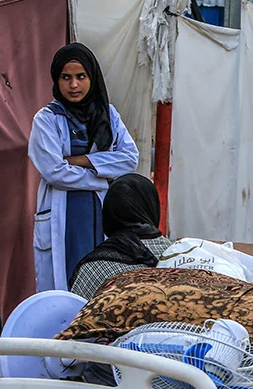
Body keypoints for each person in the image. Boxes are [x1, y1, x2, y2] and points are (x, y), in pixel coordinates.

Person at [30, 42, 139, 293]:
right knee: (62, 286)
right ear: (56, 80)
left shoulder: (108, 115)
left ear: (92, 77)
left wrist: (79, 160)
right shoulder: (46, 119)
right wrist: (103, 176)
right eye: (65, 77)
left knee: (100, 283)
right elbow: (54, 172)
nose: (74, 85)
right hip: (63, 214)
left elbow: (129, 159)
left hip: (100, 213)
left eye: (81, 76)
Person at [68, 174, 171, 299]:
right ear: (152, 206)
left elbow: (77, 313)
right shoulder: (180, 254)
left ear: (108, 213)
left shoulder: (93, 268)